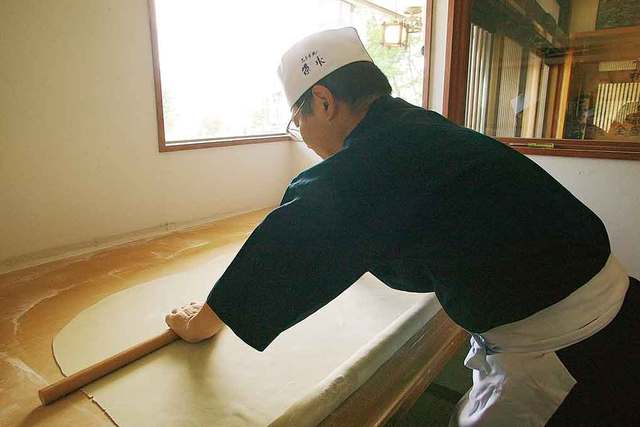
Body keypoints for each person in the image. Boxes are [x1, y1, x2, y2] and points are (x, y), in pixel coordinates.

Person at [165, 27, 639, 425]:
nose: (303, 137)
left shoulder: (375, 157)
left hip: (572, 343)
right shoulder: (414, 128)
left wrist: (204, 320)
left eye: (297, 120)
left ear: (324, 102)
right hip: (610, 302)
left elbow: (292, 236)